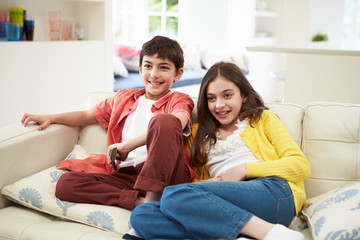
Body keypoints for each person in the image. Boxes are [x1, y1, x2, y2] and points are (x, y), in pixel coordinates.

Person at [128, 61, 311, 240]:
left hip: (272, 193)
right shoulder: (198, 135)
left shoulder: (262, 119)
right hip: (222, 204)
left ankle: (270, 233)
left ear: (244, 95)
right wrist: (207, 182)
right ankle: (237, 235)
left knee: (172, 196)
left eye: (227, 95)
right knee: (142, 214)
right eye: (211, 98)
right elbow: (196, 180)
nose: (219, 105)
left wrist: (243, 170)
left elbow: (300, 165)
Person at [21, 35, 195, 211]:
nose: (154, 74)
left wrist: (127, 146)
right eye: (148, 66)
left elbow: (177, 122)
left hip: (168, 175)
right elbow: (87, 115)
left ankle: (151, 200)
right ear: (140, 68)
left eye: (163, 68)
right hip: (127, 175)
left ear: (178, 74)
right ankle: (138, 202)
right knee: (66, 183)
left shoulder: (179, 99)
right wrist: (51, 118)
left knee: (164, 121)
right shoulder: (123, 97)